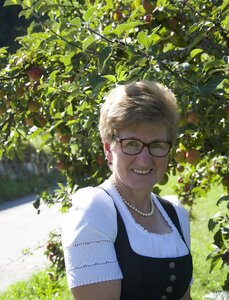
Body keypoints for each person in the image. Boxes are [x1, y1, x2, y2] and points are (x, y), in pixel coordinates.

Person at [62, 80, 193, 300]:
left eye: (157, 145)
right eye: (131, 144)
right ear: (108, 149)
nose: (144, 159)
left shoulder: (175, 215)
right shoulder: (94, 211)